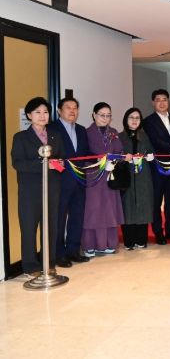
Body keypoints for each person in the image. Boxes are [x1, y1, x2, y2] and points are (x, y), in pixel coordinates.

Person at [11, 97, 65, 277]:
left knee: (51, 227)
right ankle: (30, 266)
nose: (42, 116)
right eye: (38, 112)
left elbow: (61, 158)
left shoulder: (55, 135)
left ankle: (48, 263)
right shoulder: (20, 137)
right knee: (29, 228)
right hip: (30, 191)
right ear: (29, 115)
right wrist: (44, 165)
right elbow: (18, 163)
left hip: (52, 188)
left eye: (46, 112)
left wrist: (59, 164)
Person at [82, 102, 128, 256]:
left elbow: (119, 150)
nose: (105, 118)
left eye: (108, 115)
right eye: (102, 115)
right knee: (93, 210)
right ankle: (90, 244)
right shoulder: (86, 132)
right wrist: (100, 160)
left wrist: (119, 159)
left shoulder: (113, 132)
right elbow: (83, 153)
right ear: (94, 115)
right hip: (93, 176)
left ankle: (109, 243)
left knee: (109, 210)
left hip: (110, 175)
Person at [52, 97, 90, 266]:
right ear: (59, 110)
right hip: (60, 181)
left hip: (79, 180)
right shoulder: (52, 128)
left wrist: (102, 157)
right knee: (59, 219)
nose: (72, 111)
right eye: (68, 107)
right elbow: (50, 155)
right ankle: (58, 254)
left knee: (77, 216)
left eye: (75, 108)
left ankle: (73, 251)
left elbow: (86, 153)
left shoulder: (81, 130)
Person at [143, 89, 170, 245]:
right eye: (158, 100)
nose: (162, 102)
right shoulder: (148, 121)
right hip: (157, 166)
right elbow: (155, 141)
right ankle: (158, 231)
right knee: (156, 200)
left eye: (164, 99)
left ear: (168, 101)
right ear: (153, 103)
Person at [119, 108, 154, 250]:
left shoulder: (145, 136)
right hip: (126, 176)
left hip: (142, 176)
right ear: (125, 120)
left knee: (143, 206)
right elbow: (115, 155)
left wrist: (150, 156)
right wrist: (123, 158)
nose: (134, 120)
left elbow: (151, 152)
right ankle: (129, 241)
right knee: (127, 207)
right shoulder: (119, 137)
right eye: (131, 117)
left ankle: (141, 240)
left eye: (137, 118)